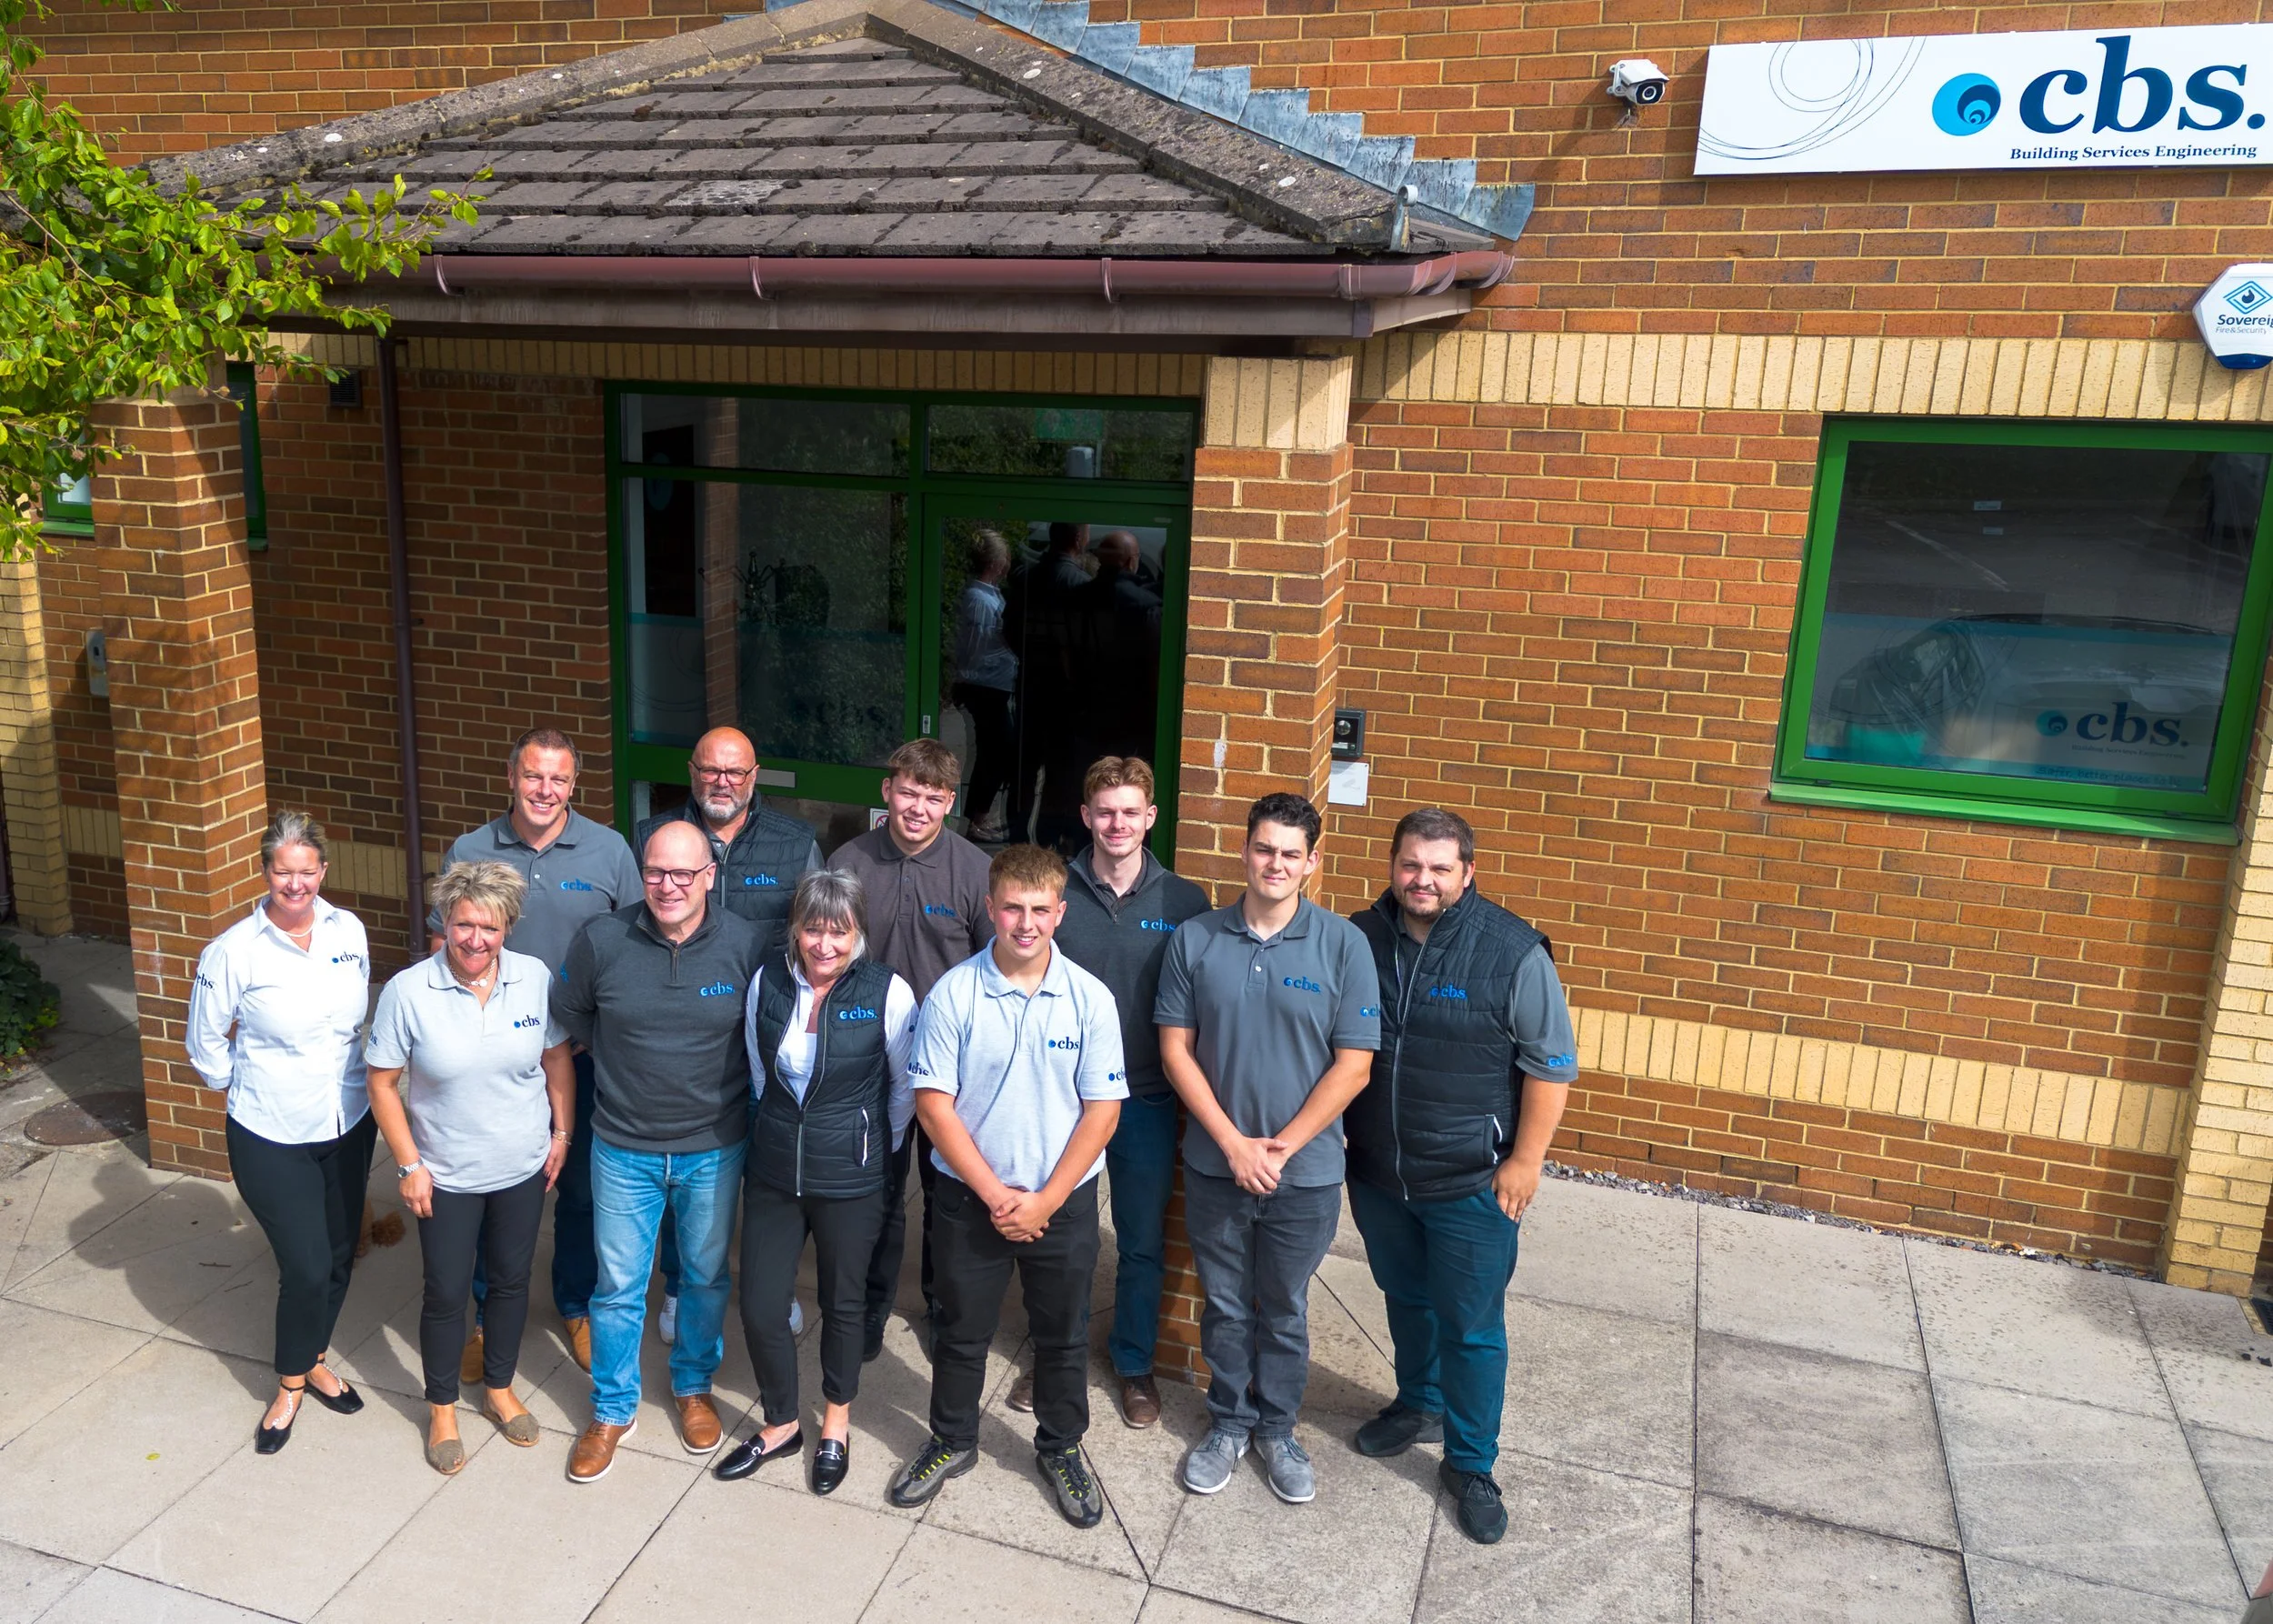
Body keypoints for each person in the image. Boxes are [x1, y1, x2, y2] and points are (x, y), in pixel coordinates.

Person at [1344, 807, 1577, 1544]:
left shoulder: (1512, 952)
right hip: (1380, 1172)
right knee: (1405, 1297)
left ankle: (1471, 1463)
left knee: (1473, 1327)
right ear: (1392, 865)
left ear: (1467, 873)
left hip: (1473, 1183)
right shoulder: (1359, 937)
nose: (1424, 879)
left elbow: (1552, 1065)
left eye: (1441, 868)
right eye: (1412, 864)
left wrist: (1525, 1162)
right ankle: (1419, 1401)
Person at [885, 844, 1126, 1529]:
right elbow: (935, 1105)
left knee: (1062, 1334)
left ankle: (1060, 1447)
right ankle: (952, 1440)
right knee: (961, 1330)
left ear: (1061, 913)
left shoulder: (1090, 1000)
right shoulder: (955, 993)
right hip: (969, 1198)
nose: (1025, 923)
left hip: (1064, 1201)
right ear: (990, 908)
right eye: (1012, 908)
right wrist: (994, 1195)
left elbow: (1102, 1111)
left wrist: (1046, 1200)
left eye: (1040, 910)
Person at [1157, 791, 1379, 1504]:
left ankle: (1279, 1429)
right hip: (1217, 1165)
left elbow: (1356, 1064)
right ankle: (1228, 1422)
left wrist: (1279, 1148)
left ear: (1313, 862)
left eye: (1291, 853)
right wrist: (1232, 1144)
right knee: (1223, 1303)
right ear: (1244, 850)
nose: (1275, 864)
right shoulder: (1195, 939)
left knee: (1282, 1306)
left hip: (1305, 1172)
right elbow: (1175, 1051)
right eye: (1264, 849)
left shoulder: (1344, 944)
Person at [556, 818, 761, 1484]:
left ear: (709, 877)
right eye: (655, 871)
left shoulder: (746, 945)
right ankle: (613, 1409)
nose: (667, 885)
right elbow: (575, 1013)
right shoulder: (602, 940)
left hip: (712, 1147)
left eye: (682, 873)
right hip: (623, 1147)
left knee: (702, 1278)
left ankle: (692, 1386)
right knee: (617, 1288)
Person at [433, 727, 643, 1378]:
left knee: (579, 1190)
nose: (544, 790)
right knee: (486, 1187)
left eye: (558, 779)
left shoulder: (609, 852)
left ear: (574, 785)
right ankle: (480, 1313)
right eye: (533, 775)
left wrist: (597, 1021)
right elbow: (449, 944)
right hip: (489, 1057)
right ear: (511, 776)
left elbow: (633, 946)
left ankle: (575, 1304)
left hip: (579, 1056)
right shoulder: (471, 849)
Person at [366, 861, 576, 1475]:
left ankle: (500, 1388)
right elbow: (382, 1083)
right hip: (447, 1175)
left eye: (488, 926)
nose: (475, 939)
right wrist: (408, 1164)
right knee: (447, 1292)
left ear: (507, 925)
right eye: (463, 925)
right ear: (446, 922)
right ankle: (441, 1408)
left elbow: (556, 1059)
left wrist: (561, 1131)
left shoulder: (534, 979)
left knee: (511, 1284)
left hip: (521, 1169)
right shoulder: (409, 992)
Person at [716, 869, 918, 1494]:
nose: (825, 944)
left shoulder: (888, 992)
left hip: (851, 1175)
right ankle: (781, 1423)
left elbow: (903, 1090)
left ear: (858, 933)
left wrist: (872, 1156)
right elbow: (758, 1072)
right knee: (759, 1302)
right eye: (814, 928)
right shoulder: (768, 982)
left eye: (840, 931)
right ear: (795, 929)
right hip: (777, 1169)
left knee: (844, 1304)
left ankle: (835, 1421)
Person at [185, 810, 375, 1455]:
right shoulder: (233, 951)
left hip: (348, 1122)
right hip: (271, 1132)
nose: (296, 884)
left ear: (323, 870)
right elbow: (206, 1047)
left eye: (307, 871)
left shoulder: (349, 929)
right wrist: (249, 1087)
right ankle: (291, 1383)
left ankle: (315, 1354)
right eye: (282, 871)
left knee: (340, 1256)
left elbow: (357, 1020)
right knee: (306, 1263)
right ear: (265, 872)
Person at [633, 724, 821, 1343]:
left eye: (736, 773)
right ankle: (682, 1288)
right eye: (712, 770)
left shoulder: (795, 845)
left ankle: (772, 1289)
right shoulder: (648, 838)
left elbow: (817, 939)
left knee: (771, 1182)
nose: (723, 783)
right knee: (681, 1178)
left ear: (754, 776)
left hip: (768, 1047)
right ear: (692, 771)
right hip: (683, 1044)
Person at [1038, 756, 1207, 1428]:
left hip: (1145, 1097)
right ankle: (1058, 1357)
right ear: (1085, 816)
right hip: (1065, 1098)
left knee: (1140, 1239)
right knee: (1065, 1236)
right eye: (1105, 811)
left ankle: (1133, 1362)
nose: (1117, 823)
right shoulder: (1056, 893)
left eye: (1130, 811)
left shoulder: (1185, 903)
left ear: (1151, 818)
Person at [832, 737, 993, 1358]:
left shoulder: (975, 871)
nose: (917, 807)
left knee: (948, 1189)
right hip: (867, 1056)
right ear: (887, 792)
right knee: (878, 1188)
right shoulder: (849, 860)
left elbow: (991, 968)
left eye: (932, 797)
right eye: (908, 792)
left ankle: (941, 1303)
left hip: (950, 1065)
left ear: (950, 802)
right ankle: (871, 1306)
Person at [951, 530, 1017, 843]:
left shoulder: (990, 594)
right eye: (1004, 556)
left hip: (992, 686)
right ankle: (975, 821)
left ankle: (978, 818)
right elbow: (973, 649)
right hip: (983, 688)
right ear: (995, 561)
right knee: (996, 753)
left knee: (995, 753)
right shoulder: (979, 600)